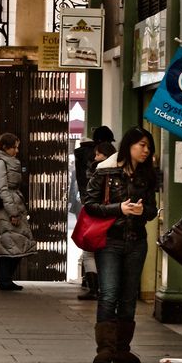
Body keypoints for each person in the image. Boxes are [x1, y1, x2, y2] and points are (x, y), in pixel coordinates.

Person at [83, 126, 159, 363]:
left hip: (137, 240)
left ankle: (122, 348)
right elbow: (90, 204)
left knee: (128, 297)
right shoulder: (105, 171)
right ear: (129, 146)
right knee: (109, 293)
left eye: (149, 147)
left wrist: (142, 211)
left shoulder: (146, 176)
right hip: (111, 241)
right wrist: (119, 209)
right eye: (142, 145)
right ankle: (105, 349)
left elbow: (151, 209)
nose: (146, 151)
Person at [0, 133, 37, 291]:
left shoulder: (10, 162)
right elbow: (3, 189)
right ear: (5, 147)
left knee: (15, 242)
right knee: (7, 242)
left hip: (15, 205)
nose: (16, 150)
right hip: (8, 209)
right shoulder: (0, 163)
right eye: (14, 147)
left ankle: (6, 279)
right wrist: (13, 213)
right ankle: (4, 280)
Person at [73, 126, 115, 301]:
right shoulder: (117, 165)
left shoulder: (87, 161)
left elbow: (85, 186)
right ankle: (105, 287)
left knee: (89, 249)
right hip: (114, 211)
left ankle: (93, 287)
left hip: (91, 208)